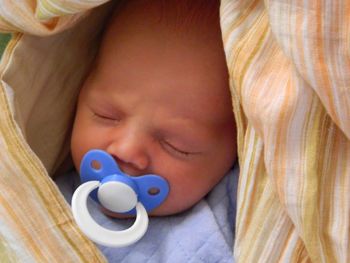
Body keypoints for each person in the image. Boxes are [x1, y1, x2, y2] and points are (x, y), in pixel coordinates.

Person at [70, 0, 237, 217]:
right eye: (106, 115)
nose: (126, 151)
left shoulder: (236, 220)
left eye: (176, 146)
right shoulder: (34, 187)